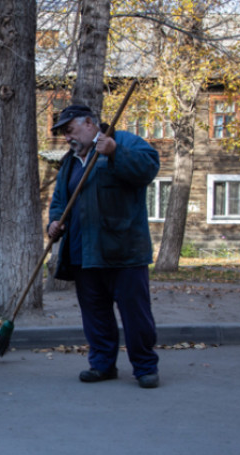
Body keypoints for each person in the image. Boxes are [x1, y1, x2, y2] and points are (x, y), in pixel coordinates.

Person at [47, 104, 161, 389]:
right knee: (95, 315)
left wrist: (115, 153)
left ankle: (145, 367)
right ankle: (102, 365)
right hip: (84, 254)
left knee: (136, 315)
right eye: (63, 134)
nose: (67, 138)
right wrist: (54, 222)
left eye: (69, 130)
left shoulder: (125, 142)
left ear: (89, 124)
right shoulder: (70, 162)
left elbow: (148, 169)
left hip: (124, 251)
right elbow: (61, 200)